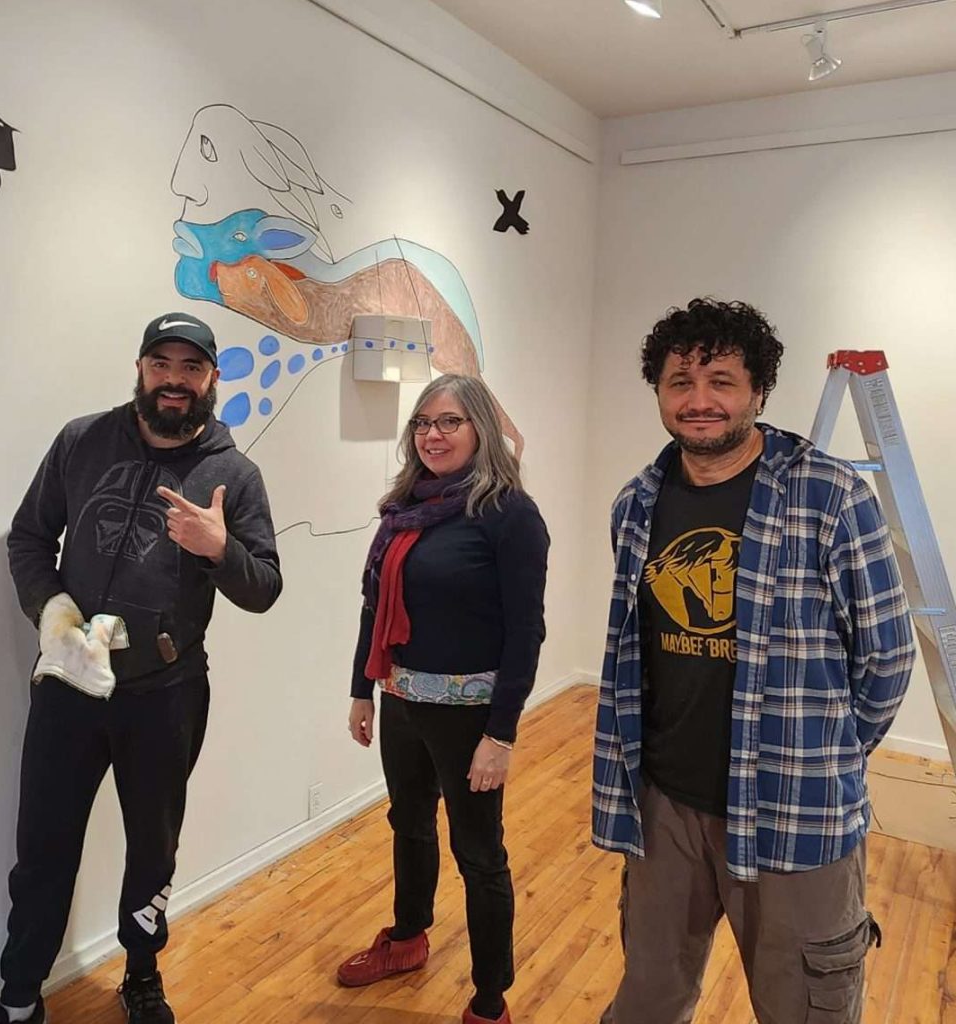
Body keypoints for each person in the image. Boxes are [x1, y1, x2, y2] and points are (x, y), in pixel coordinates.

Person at [593, 298, 915, 1024]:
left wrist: (826, 753)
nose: (699, 400)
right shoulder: (636, 504)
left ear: (758, 391)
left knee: (805, 1006)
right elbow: (633, 653)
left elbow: (887, 659)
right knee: (648, 995)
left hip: (793, 810)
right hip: (666, 805)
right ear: (659, 393)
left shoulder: (830, 498)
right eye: (680, 382)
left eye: (721, 381)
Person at [0, 312, 283, 1024]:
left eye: (191, 367)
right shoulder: (81, 441)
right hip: (69, 685)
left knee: (154, 850)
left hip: (167, 694)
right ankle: (21, 995)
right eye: (161, 364)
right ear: (140, 369)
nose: (174, 380)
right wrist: (53, 613)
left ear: (212, 378)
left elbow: (264, 586)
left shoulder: (233, 475)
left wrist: (217, 548)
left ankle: (141, 973)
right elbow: (28, 538)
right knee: (43, 851)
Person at [339, 374, 549, 1024]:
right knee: (408, 823)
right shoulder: (405, 508)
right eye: (423, 423)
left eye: (449, 422)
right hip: (400, 699)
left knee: (479, 854)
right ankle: (407, 938)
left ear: (481, 427)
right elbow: (375, 605)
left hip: (470, 717)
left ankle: (489, 1001)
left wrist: (502, 734)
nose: (432, 434)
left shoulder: (509, 513)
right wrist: (361, 690)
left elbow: (526, 631)